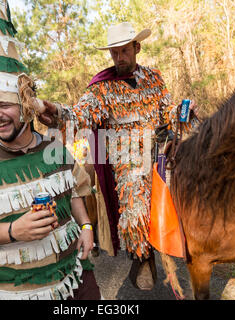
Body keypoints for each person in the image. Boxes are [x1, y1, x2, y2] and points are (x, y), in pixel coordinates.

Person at [0, 0, 101, 300]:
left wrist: (87, 227)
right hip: (20, 292)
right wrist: (12, 232)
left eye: (5, 105)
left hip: (78, 280)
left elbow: (75, 192)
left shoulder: (55, 149)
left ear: (26, 106)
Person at [37, 22, 200, 290]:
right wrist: (57, 113)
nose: (119, 58)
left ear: (137, 47)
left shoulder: (154, 78)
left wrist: (183, 110)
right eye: (114, 53)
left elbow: (166, 112)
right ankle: (143, 256)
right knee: (135, 202)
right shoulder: (102, 89)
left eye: (124, 51)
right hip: (127, 160)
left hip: (159, 149)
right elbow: (80, 114)